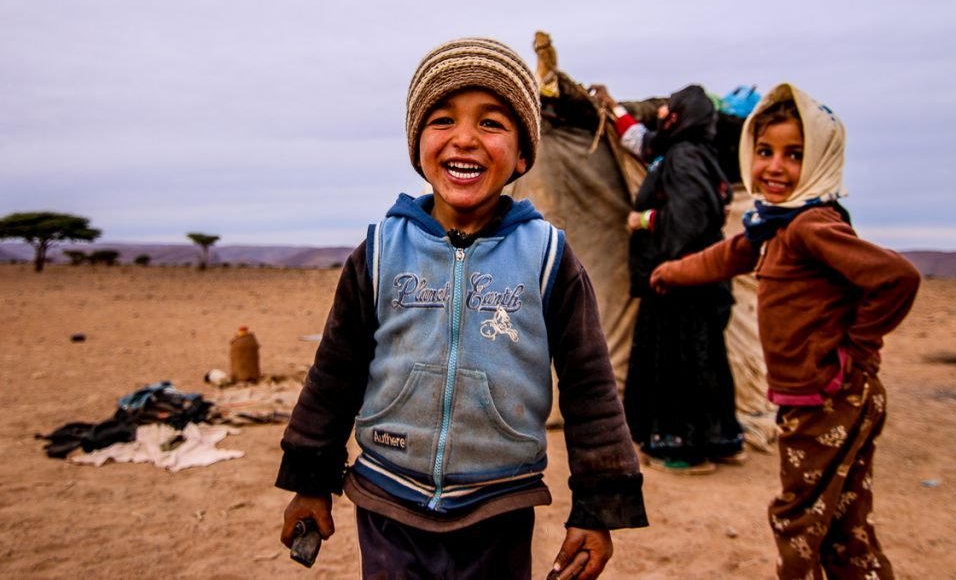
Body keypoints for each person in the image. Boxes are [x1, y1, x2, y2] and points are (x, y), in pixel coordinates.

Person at [276, 37, 647, 580]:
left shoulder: (548, 258)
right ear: (417, 145)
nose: (465, 139)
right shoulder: (380, 253)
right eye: (443, 120)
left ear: (522, 154)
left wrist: (599, 507)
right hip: (387, 496)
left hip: (499, 503)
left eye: (492, 124)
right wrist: (310, 481)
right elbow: (334, 373)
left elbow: (591, 388)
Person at [650, 83, 920, 578]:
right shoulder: (774, 225)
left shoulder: (809, 226)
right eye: (765, 151)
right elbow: (730, 254)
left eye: (794, 155)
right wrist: (673, 271)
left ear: (818, 159)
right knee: (844, 523)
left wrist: (855, 350)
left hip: (826, 398)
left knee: (797, 518)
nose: (774, 167)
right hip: (832, 394)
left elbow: (897, 279)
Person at [593, 83, 745, 474]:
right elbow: (642, 143)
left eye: (670, 110)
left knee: (678, 363)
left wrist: (641, 219)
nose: (663, 115)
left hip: (679, 280)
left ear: (682, 118)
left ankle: (681, 450)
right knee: (704, 360)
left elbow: (687, 221)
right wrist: (613, 107)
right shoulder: (687, 153)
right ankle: (719, 440)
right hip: (692, 280)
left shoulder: (684, 158)